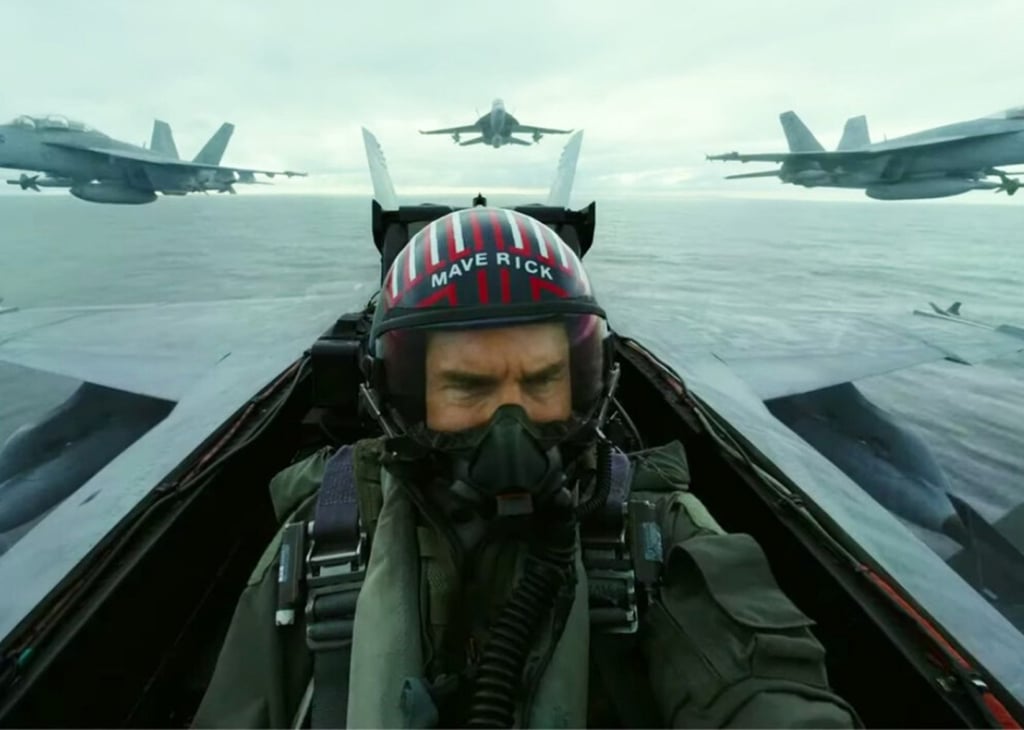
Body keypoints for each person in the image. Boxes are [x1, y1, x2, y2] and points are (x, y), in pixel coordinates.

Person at [193, 208, 861, 729]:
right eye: (469, 387)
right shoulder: (321, 547)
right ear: (400, 399)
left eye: (543, 380)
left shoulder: (655, 536)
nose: (512, 431)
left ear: (586, 382)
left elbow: (765, 689)